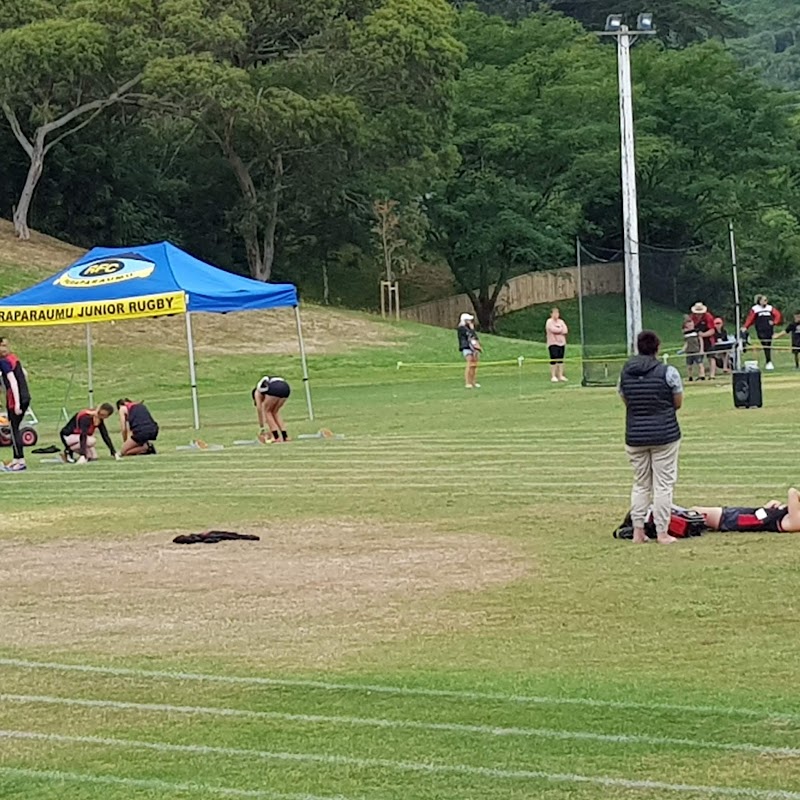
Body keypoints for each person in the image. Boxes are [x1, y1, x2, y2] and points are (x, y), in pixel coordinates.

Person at [618, 330, 684, 544]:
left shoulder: (625, 373)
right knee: (663, 485)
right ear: (657, 348)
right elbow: (678, 402)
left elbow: (626, 399)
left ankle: (638, 531)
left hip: (635, 435)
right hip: (665, 434)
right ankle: (662, 532)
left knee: (641, 484)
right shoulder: (668, 372)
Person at [692, 487, 800, 533]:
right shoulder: (792, 515)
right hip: (739, 516)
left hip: (735, 520)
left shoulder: (797, 522)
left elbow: (792, 492)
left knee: (693, 513)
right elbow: (765, 514)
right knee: (693, 513)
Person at [0, 336, 31, 472]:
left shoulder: (4, 361)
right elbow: (24, 373)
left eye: (5, 346)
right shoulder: (13, 359)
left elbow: (13, 382)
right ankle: (16, 459)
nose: (5, 349)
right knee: (14, 428)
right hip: (22, 396)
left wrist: (17, 403)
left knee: (14, 429)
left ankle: (20, 460)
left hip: (16, 398)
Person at [742, 294, 781, 370]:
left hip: (769, 328)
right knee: (764, 343)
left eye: (766, 300)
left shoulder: (769, 308)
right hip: (760, 328)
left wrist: (774, 322)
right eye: (764, 300)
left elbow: (777, 315)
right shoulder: (755, 309)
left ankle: (768, 361)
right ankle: (768, 361)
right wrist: (745, 327)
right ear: (759, 301)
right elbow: (750, 319)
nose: (765, 302)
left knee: (768, 344)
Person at [252, 376, 291, 443]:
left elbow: (259, 409)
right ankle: (285, 436)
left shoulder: (257, 392)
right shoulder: (265, 385)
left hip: (274, 388)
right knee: (275, 412)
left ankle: (276, 437)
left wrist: (262, 428)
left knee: (267, 411)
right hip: (286, 388)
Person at [689, 302, 717, 379]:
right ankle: (701, 374)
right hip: (696, 341)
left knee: (711, 357)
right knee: (698, 358)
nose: (698, 315)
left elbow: (712, 331)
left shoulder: (708, 317)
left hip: (709, 339)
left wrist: (703, 334)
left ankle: (712, 375)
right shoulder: (691, 318)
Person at [456, 313, 481, 389]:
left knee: (474, 365)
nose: (470, 321)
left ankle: (473, 382)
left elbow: (475, 337)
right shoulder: (461, 328)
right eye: (469, 320)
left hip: (473, 347)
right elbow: (469, 335)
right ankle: (468, 382)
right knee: (469, 364)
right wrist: (472, 329)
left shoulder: (469, 328)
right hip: (466, 347)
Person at [545, 307, 569, 383]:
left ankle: (561, 375)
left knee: (560, 359)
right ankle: (553, 376)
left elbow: (565, 330)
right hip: (553, 343)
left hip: (561, 343)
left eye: (557, 313)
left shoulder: (561, 321)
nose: (556, 315)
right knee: (554, 359)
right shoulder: (549, 322)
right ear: (551, 314)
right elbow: (553, 330)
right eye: (554, 313)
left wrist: (561, 329)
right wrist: (560, 329)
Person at [681, 316, 704, 382]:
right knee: (689, 365)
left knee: (700, 364)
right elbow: (686, 343)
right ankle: (690, 377)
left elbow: (701, 340)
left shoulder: (696, 331)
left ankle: (702, 376)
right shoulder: (686, 334)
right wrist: (683, 349)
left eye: (691, 324)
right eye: (688, 325)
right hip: (689, 351)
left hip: (696, 350)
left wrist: (701, 349)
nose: (690, 326)